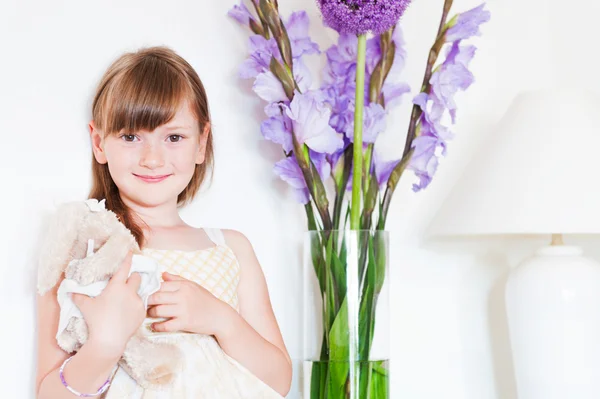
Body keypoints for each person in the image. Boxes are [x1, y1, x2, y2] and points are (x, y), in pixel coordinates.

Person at [35, 46, 292, 398]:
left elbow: (279, 380)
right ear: (99, 143)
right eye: (130, 137)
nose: (153, 159)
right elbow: (48, 393)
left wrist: (220, 319)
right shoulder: (85, 246)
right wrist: (105, 345)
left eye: (174, 137)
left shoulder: (231, 248)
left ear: (201, 143)